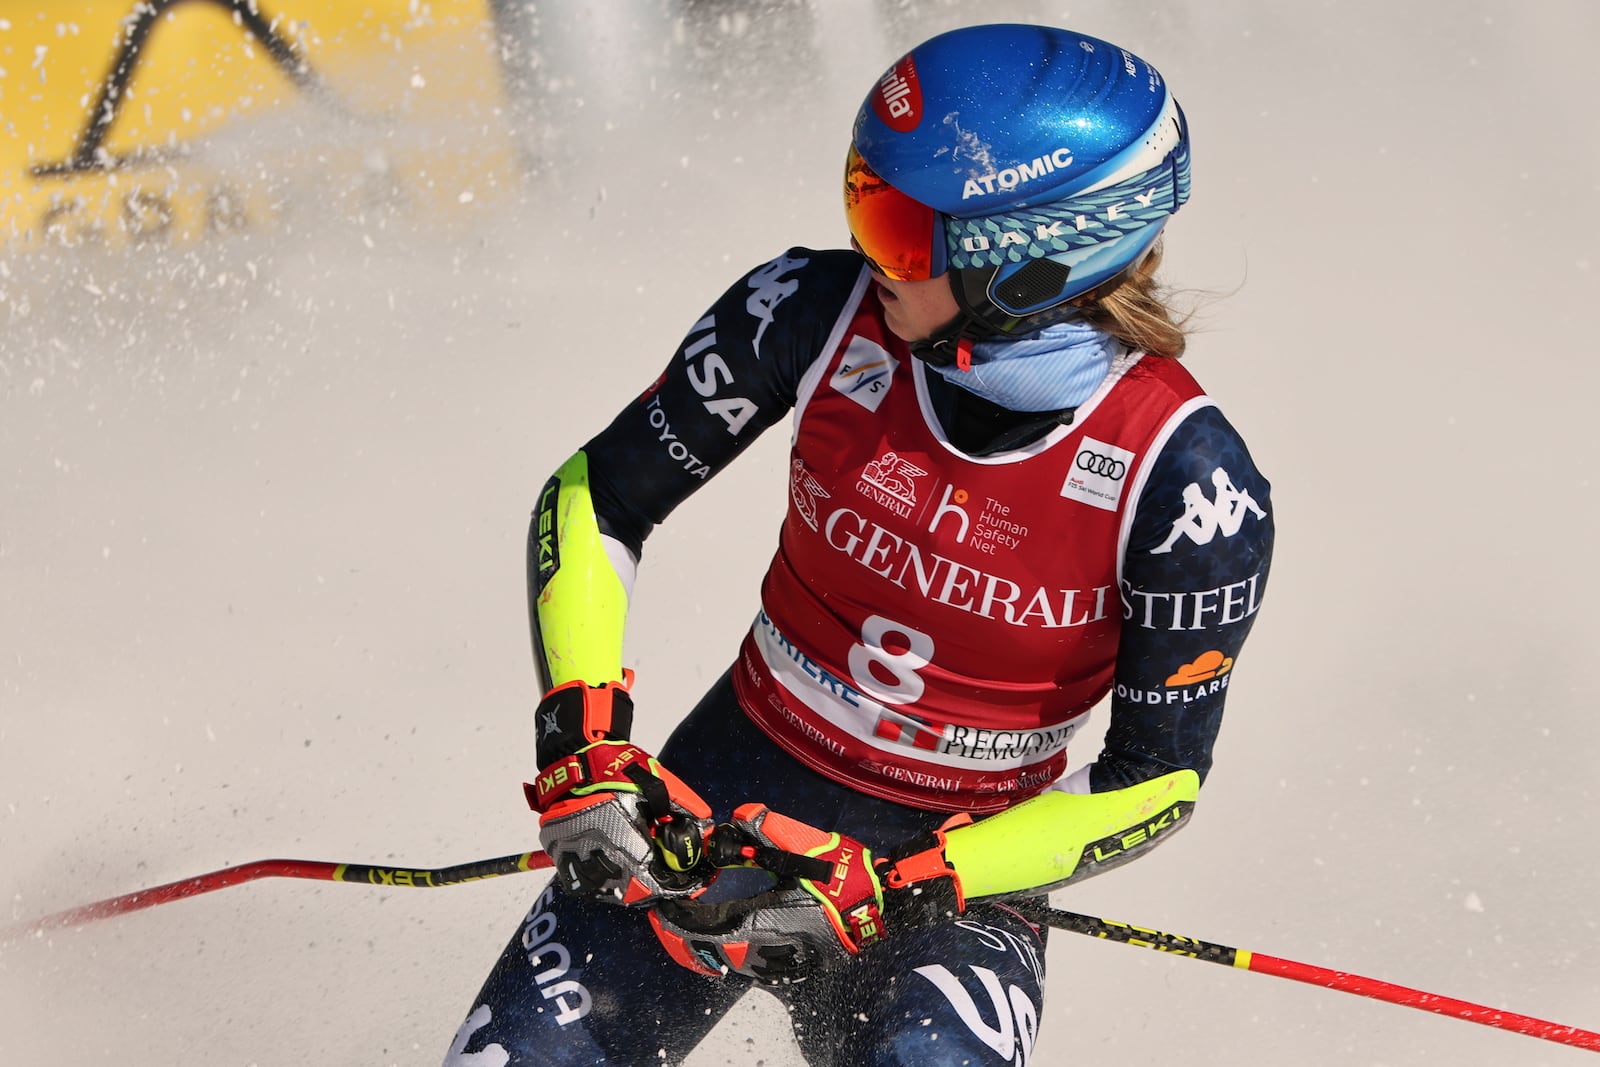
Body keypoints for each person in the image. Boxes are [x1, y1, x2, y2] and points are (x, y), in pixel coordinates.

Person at [444, 22, 1273, 1067]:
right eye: (858, 199)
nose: (863, 252)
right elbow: (598, 495)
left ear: (1027, 265)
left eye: (898, 230)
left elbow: (1154, 781)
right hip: (706, 814)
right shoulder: (808, 310)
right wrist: (583, 743)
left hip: (946, 883)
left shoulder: (1188, 483)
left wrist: (904, 883)